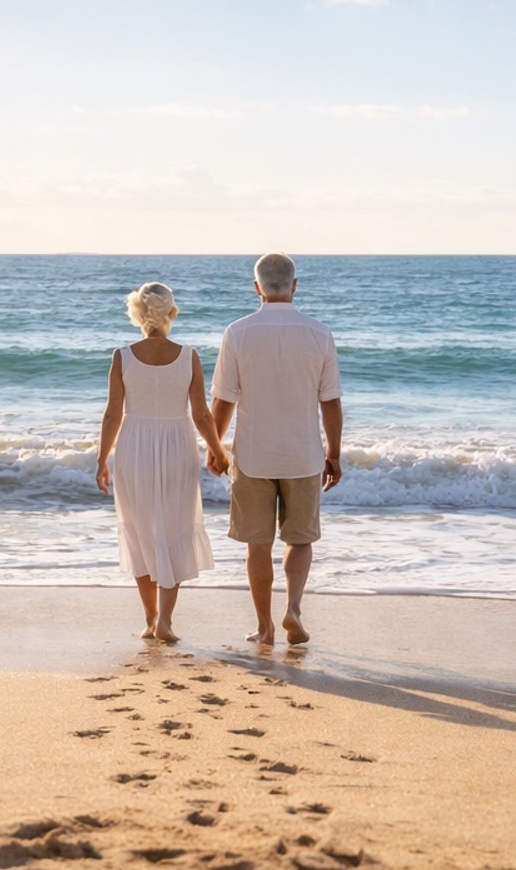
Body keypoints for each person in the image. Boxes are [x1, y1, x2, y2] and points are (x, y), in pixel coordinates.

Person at [210, 253, 343, 645]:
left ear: (257, 288)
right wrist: (333, 453)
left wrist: (217, 448)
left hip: (252, 456)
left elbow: (223, 400)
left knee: (258, 544)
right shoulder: (319, 333)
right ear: (294, 286)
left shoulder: (238, 332)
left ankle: (265, 626)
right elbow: (331, 402)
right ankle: (294, 609)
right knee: (300, 539)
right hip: (303, 456)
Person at [95, 282, 229, 642]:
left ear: (137, 314)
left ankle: (151, 618)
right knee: (174, 527)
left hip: (133, 445)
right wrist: (218, 449)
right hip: (177, 445)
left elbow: (112, 415)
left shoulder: (122, 356)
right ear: (172, 312)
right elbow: (201, 414)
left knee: (139, 529)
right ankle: (166, 620)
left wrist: (101, 459)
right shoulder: (189, 356)